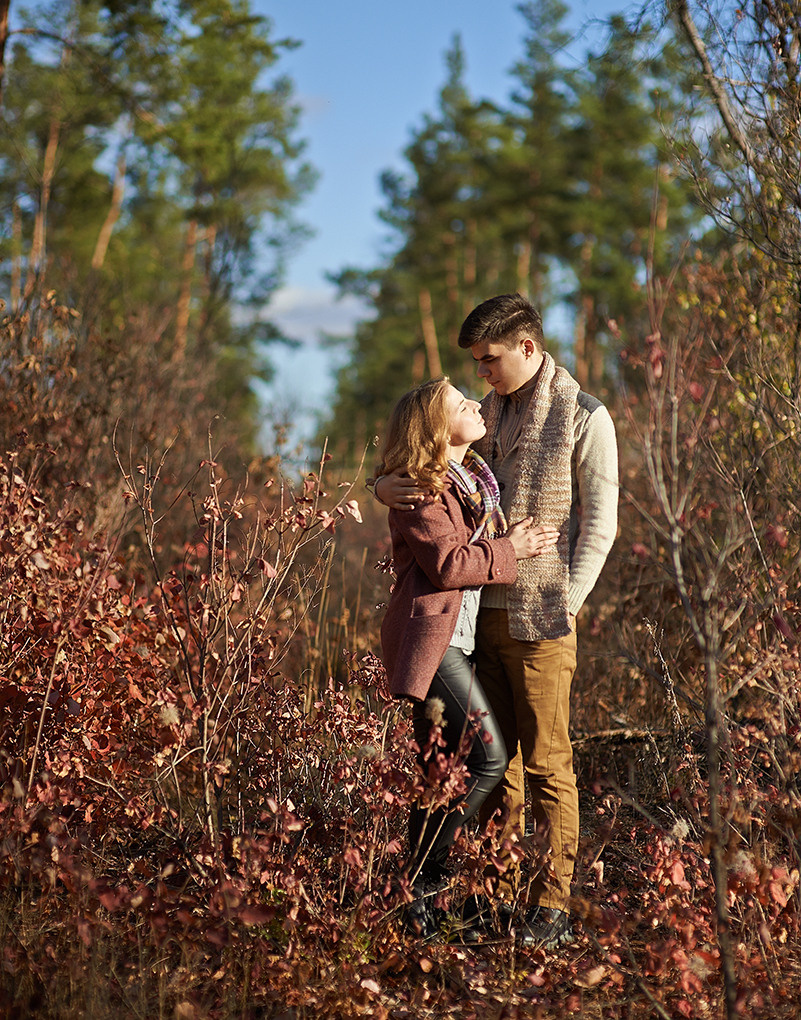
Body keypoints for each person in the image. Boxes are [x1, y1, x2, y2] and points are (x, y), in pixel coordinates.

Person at [375, 294, 618, 950]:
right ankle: (492, 893)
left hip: (542, 617)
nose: (481, 373)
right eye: (475, 364)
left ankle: (551, 906)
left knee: (544, 764)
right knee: (493, 766)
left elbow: (599, 525)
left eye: (490, 359)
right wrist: (382, 486)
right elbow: (426, 463)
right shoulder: (485, 417)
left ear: (528, 349)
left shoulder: (585, 416)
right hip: (478, 620)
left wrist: (568, 602)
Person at [376, 376, 559, 940]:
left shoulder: (470, 481)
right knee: (488, 760)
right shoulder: (421, 492)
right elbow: (450, 566)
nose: (476, 405)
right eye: (462, 404)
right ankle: (420, 885)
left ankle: (410, 902)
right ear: (436, 429)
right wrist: (514, 549)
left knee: (438, 773)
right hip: (435, 649)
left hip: (461, 643)